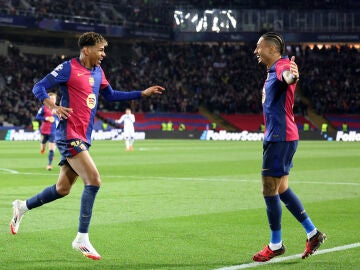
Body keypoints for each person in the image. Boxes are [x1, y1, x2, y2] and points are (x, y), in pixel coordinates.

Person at [9, 32, 165, 260]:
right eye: (100, 49)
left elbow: (111, 96)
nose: (104, 54)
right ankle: (81, 238)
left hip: (84, 136)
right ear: (86, 50)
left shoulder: (98, 71)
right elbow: (38, 87)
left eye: (104, 49)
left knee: (62, 189)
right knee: (93, 180)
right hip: (68, 134)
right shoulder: (68, 68)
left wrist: (141, 93)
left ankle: (22, 207)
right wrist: (53, 107)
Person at [252, 32, 326, 262]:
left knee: (269, 188)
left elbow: (287, 77)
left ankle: (276, 244)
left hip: (280, 137)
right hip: (279, 136)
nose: (256, 51)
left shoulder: (281, 65)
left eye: (259, 47)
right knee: (281, 188)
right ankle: (313, 233)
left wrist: (292, 77)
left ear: (272, 49)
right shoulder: (271, 70)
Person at [35, 92, 59, 170]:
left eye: (54, 99)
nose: (52, 100)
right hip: (44, 131)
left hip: (53, 131)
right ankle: (42, 149)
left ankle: (49, 164)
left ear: (55, 100)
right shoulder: (44, 107)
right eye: (51, 98)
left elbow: (60, 119)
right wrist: (46, 118)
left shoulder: (58, 109)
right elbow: (37, 116)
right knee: (43, 145)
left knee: (51, 148)